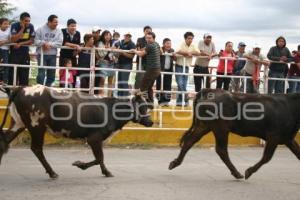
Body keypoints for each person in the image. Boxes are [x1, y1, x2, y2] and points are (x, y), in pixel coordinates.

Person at [134, 32, 161, 108]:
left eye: (150, 38)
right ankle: (150, 105)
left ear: (153, 38)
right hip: (157, 69)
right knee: (149, 87)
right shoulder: (156, 44)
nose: (148, 39)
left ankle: (136, 104)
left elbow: (141, 54)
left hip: (152, 70)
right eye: (147, 38)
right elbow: (161, 52)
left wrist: (134, 51)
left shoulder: (150, 46)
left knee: (142, 88)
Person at [35, 14, 63, 86]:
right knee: (41, 73)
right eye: (55, 22)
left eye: (57, 22)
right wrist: (43, 43)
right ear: (49, 22)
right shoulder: (40, 29)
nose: (56, 24)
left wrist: (49, 44)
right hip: (41, 54)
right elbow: (36, 41)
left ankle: (48, 89)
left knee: (51, 74)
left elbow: (60, 43)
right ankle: (39, 89)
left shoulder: (59, 31)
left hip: (53, 55)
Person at [9, 12, 35, 86]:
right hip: (14, 53)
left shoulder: (31, 26)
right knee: (13, 76)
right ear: (21, 20)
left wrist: (21, 44)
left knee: (24, 76)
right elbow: (13, 39)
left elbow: (32, 40)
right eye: (26, 21)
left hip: (25, 53)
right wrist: (22, 28)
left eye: (29, 21)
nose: (28, 22)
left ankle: (23, 94)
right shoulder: (14, 25)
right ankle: (11, 93)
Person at [175, 31, 199, 106]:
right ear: (185, 38)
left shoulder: (193, 45)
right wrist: (186, 53)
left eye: (191, 38)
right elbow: (178, 51)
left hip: (186, 67)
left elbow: (198, 53)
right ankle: (186, 98)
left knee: (183, 85)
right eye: (189, 38)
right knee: (180, 84)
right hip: (179, 66)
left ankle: (180, 102)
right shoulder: (181, 44)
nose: (190, 40)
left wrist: (190, 53)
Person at [59, 19, 81, 88]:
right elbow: (64, 42)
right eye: (72, 26)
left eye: (75, 26)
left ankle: (72, 89)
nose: (73, 28)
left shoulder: (77, 33)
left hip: (73, 56)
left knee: (74, 74)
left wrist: (77, 51)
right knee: (63, 74)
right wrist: (76, 46)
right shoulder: (62, 31)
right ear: (67, 26)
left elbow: (78, 44)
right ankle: (61, 90)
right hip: (64, 56)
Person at [156, 38, 175, 106]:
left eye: (170, 43)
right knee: (159, 85)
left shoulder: (172, 50)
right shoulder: (160, 49)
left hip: (169, 70)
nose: (169, 45)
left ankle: (166, 101)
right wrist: (160, 50)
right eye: (167, 43)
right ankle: (160, 100)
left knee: (168, 86)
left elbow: (175, 59)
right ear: (163, 44)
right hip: (160, 70)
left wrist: (174, 55)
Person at [97, 30, 116, 96]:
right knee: (102, 80)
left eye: (109, 35)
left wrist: (114, 54)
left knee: (110, 81)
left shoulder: (112, 43)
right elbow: (101, 54)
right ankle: (100, 95)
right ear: (103, 36)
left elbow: (115, 53)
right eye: (106, 35)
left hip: (111, 63)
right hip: (103, 63)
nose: (108, 36)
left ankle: (109, 96)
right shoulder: (100, 43)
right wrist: (109, 49)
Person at [116, 32, 136, 97]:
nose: (127, 37)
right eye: (126, 36)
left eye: (129, 36)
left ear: (130, 37)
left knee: (124, 81)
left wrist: (122, 52)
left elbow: (132, 56)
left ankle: (124, 98)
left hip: (127, 64)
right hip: (120, 64)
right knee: (119, 81)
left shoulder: (132, 44)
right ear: (124, 36)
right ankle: (119, 97)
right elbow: (118, 51)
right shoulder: (121, 42)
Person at [0, 18, 10, 84]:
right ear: (0, 24)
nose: (7, 25)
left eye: (8, 24)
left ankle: (4, 81)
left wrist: (3, 42)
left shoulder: (9, 31)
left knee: (6, 65)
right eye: (5, 24)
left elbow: (11, 39)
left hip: (6, 50)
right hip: (0, 49)